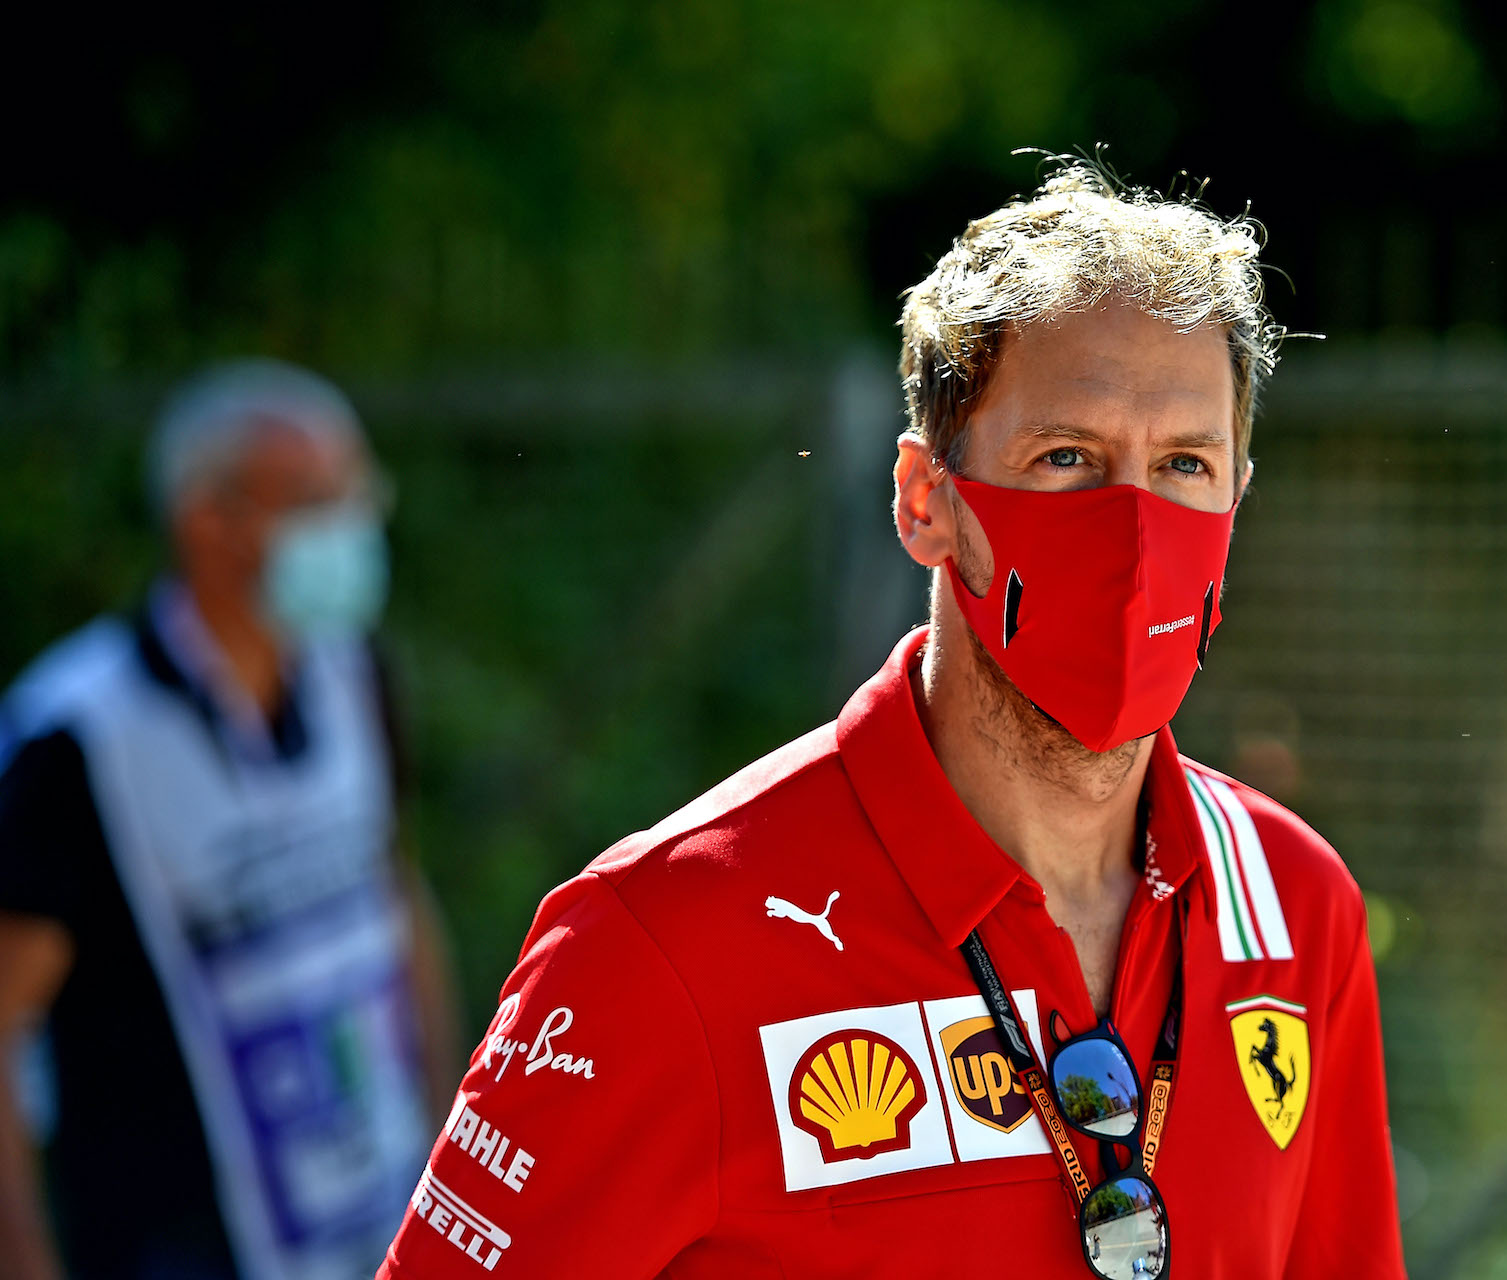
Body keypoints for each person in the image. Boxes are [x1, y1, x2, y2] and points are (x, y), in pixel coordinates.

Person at [379, 161, 1403, 1279]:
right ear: (926, 501)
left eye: (1183, 465)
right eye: (1066, 457)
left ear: (1237, 497)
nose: (1134, 528)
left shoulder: (1298, 906)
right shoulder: (662, 945)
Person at [0, 361, 457, 1280]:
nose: (352, 526)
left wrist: (454, 1142)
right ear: (208, 521)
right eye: (318, 500)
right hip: (178, 1239)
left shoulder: (354, 674)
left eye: (360, 494)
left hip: (377, 1213)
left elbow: (396, 895)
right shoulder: (80, 737)